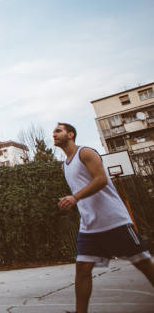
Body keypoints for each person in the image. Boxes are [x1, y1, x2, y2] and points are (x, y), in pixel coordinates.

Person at [53, 122, 154, 313]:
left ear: (71, 134)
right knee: (82, 269)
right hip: (90, 225)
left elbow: (101, 179)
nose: (54, 135)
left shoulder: (86, 153)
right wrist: (72, 201)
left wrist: (74, 197)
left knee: (144, 264)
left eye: (58, 131)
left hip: (113, 220)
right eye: (54, 132)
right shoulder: (65, 165)